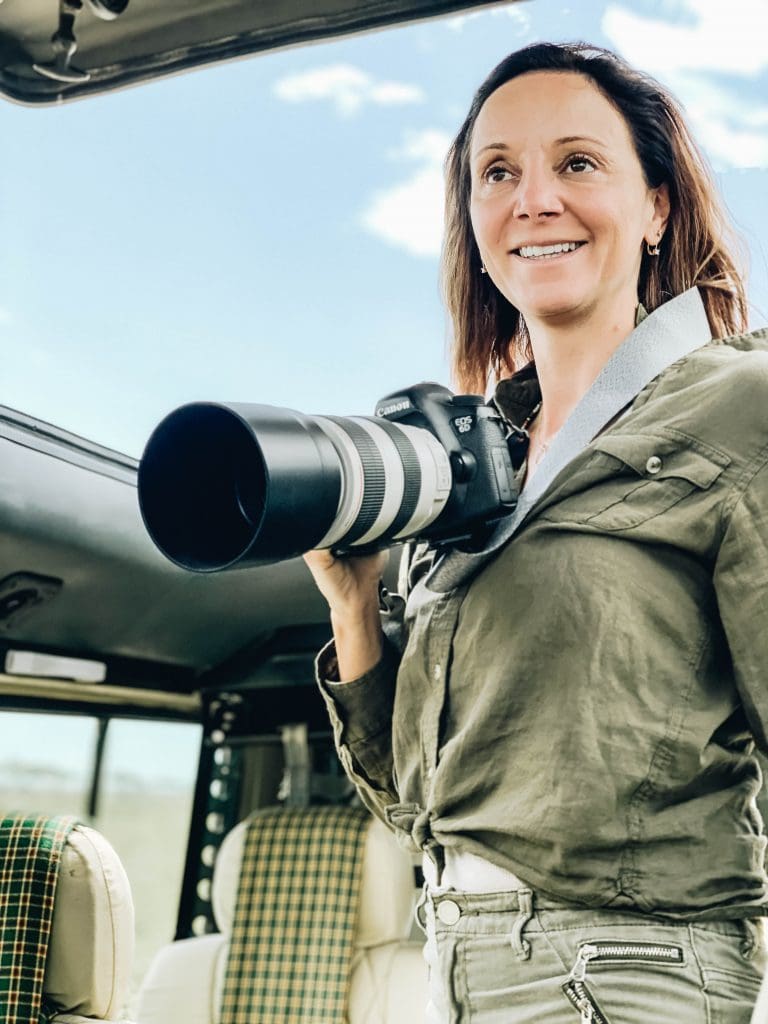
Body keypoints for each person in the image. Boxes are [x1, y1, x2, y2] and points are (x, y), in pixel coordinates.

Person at [304, 41, 768, 1023]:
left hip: (632, 970)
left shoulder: (743, 405)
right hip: (459, 965)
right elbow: (418, 806)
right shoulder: (463, 471)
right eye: (498, 172)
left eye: (579, 163)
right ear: (474, 226)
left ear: (656, 209)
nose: (535, 198)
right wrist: (356, 608)